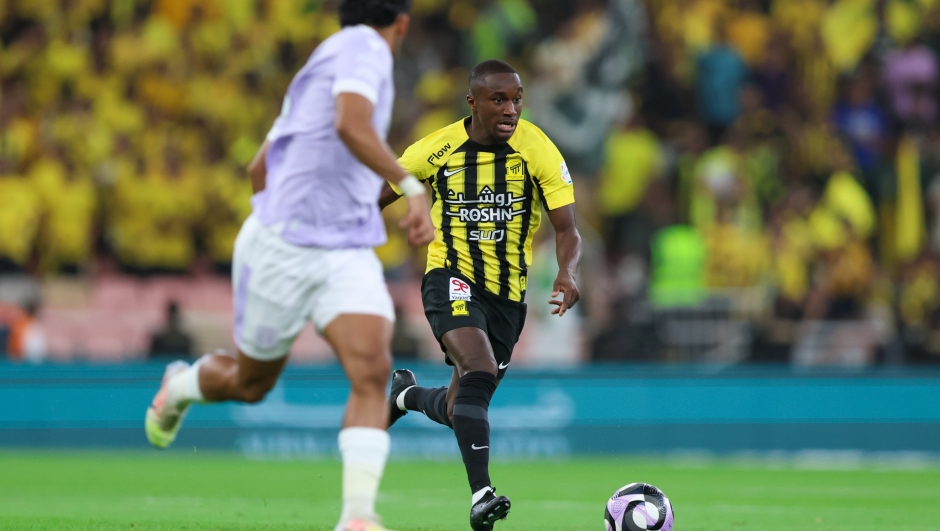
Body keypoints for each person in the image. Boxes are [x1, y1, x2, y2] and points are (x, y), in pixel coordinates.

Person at [144, 2, 434, 531]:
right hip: (287, 248)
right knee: (251, 384)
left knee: (371, 369)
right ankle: (181, 386)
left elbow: (261, 166)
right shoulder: (366, 49)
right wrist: (411, 187)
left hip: (343, 246)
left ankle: (357, 517)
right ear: (402, 24)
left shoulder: (320, 64)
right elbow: (351, 123)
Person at [378, 60, 582, 531]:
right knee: (480, 367)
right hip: (449, 277)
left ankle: (404, 396)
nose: (510, 109)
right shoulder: (437, 148)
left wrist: (568, 273)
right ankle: (481, 495)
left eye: (517, 99)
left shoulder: (539, 150)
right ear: (473, 103)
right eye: (499, 100)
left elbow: (568, 228)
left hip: (508, 298)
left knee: (461, 407)